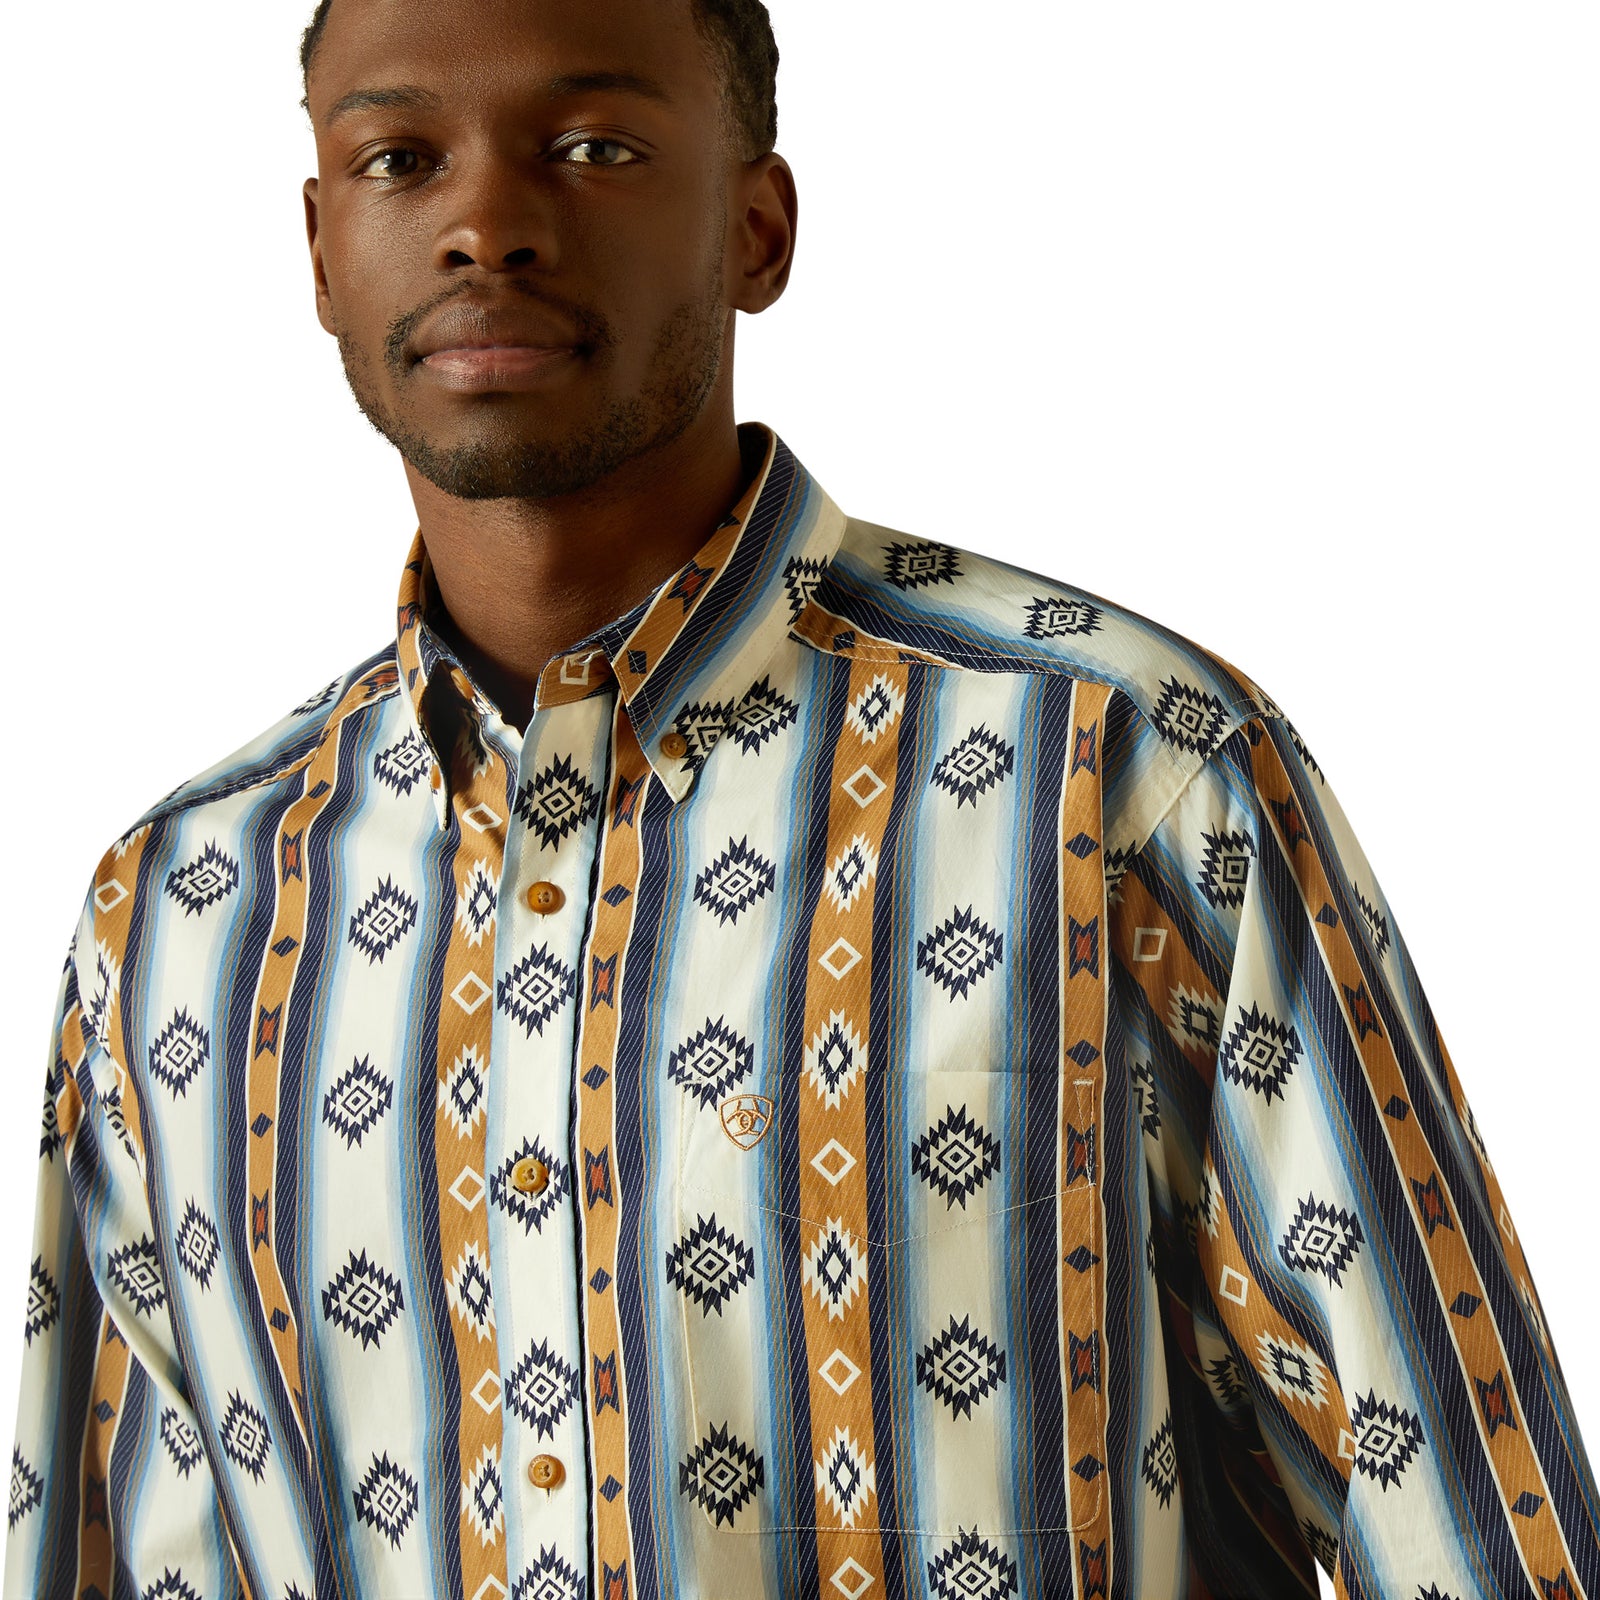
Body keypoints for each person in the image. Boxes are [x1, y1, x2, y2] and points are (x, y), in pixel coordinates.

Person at [5, 0, 1595, 1594]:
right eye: (399, 159)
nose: (485, 223)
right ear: (322, 250)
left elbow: (1467, 1523)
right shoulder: (181, 915)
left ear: (757, 228)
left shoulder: (1120, 778)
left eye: (593, 147)